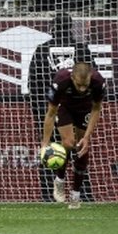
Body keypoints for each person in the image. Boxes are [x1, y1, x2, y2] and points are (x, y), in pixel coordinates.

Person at [40, 55, 105, 209]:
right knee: (68, 143)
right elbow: (50, 113)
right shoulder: (61, 80)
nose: (82, 89)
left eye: (85, 85)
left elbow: (96, 109)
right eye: (78, 85)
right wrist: (45, 142)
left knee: (81, 148)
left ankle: (75, 194)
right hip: (66, 108)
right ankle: (60, 180)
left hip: (85, 109)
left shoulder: (98, 82)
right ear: (72, 77)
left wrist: (87, 137)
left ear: (90, 77)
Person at [28, 11, 76, 202]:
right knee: (77, 150)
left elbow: (33, 84)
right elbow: (91, 78)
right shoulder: (81, 48)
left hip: (48, 110)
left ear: (52, 28)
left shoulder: (41, 50)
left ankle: (49, 195)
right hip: (76, 110)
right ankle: (83, 193)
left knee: (49, 150)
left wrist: (38, 112)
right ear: (71, 27)